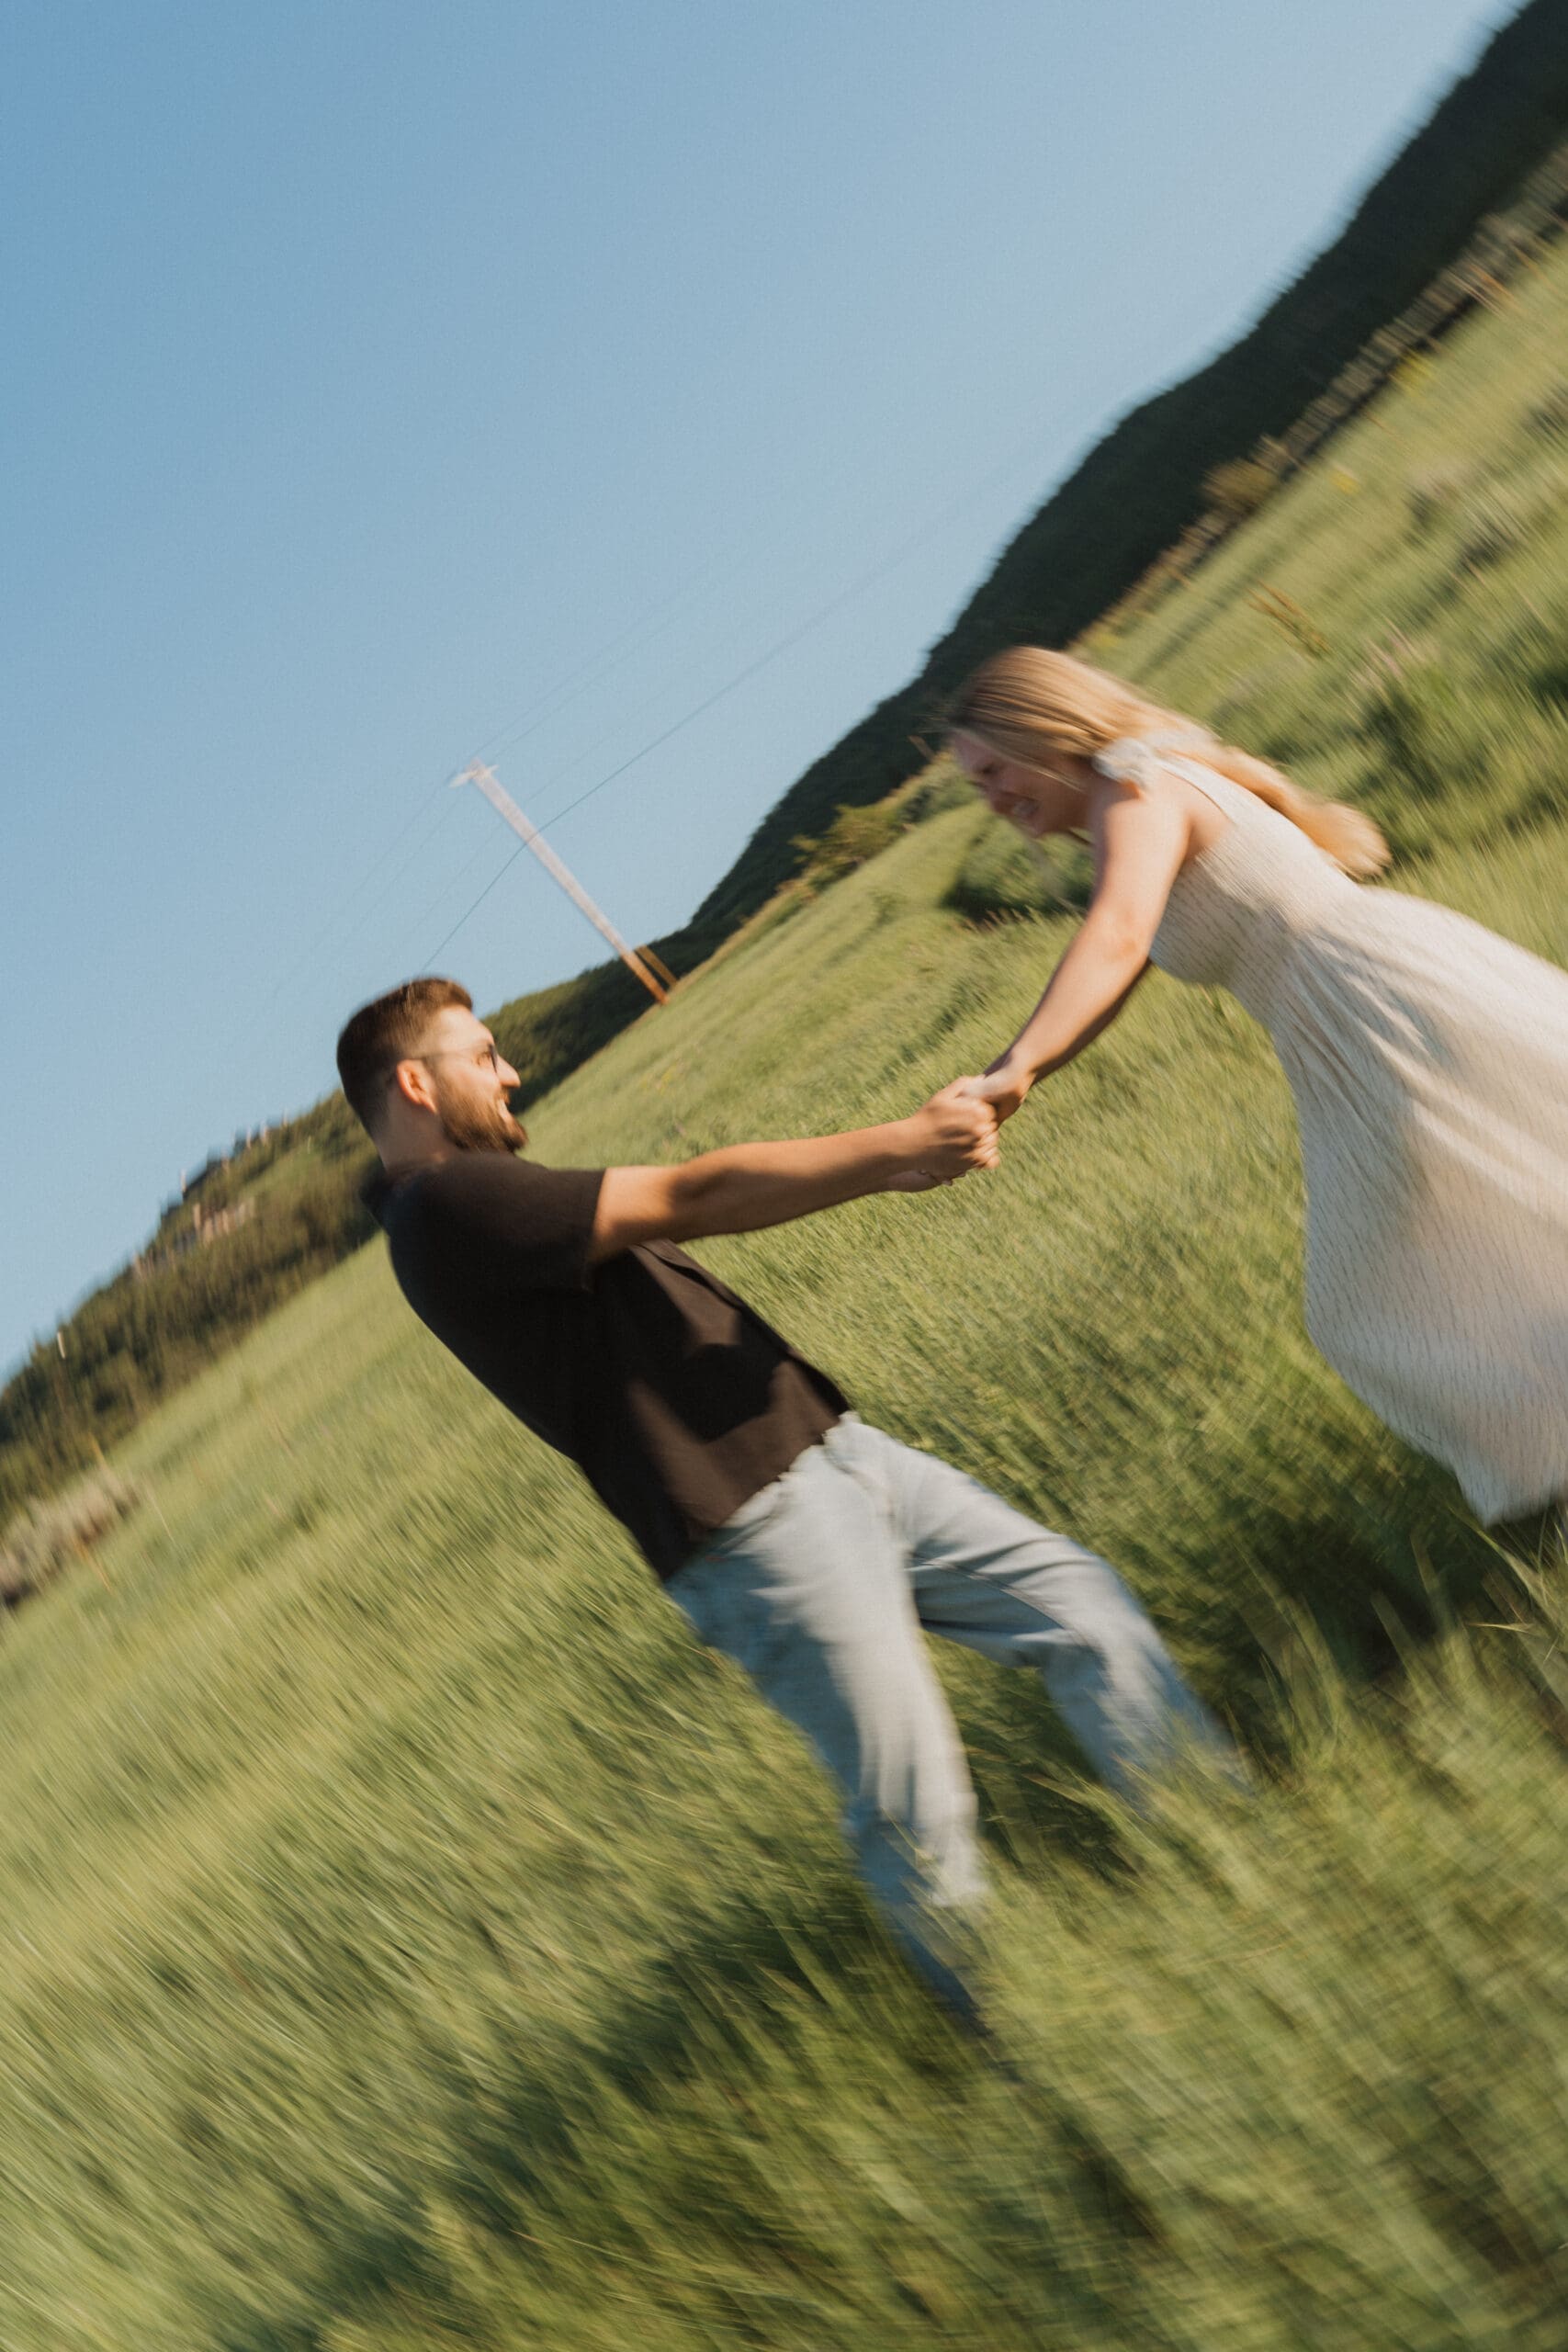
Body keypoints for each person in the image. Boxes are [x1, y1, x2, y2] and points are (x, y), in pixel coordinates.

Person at [335, 976, 1231, 2021]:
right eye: (484, 1055)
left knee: (1084, 1609)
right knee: (913, 1802)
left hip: (836, 1459)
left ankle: (1226, 1852)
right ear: (415, 1081)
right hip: (755, 1527)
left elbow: (690, 1219)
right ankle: (1034, 2041)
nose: (510, 1072)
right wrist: (903, 1137)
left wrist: (896, 1168)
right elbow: (695, 1195)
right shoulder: (445, 1207)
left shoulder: (482, 1203)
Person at [946, 643, 1568, 1526]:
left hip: (1367, 1000)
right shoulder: (1137, 791)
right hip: (1339, 1018)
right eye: (978, 788)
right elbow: (1121, 967)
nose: (995, 801)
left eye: (994, 771)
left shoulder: (1136, 786)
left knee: (1386, 1283)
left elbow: (1118, 936)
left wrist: (1014, 1069)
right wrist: (1027, 1069)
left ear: (1044, 731)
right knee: (1488, 1212)